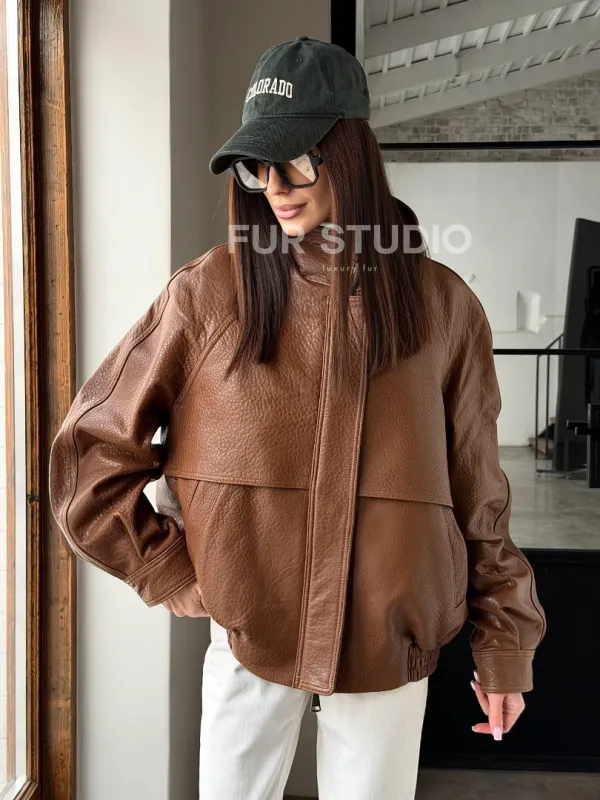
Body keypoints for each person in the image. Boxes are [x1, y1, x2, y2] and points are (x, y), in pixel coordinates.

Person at [48, 36, 547, 800]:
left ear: (348, 151)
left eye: (295, 162)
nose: (274, 187)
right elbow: (90, 450)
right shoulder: (207, 296)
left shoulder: (444, 308)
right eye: (257, 166)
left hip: (390, 650)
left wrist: (504, 644)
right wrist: (163, 567)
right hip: (248, 641)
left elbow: (480, 496)